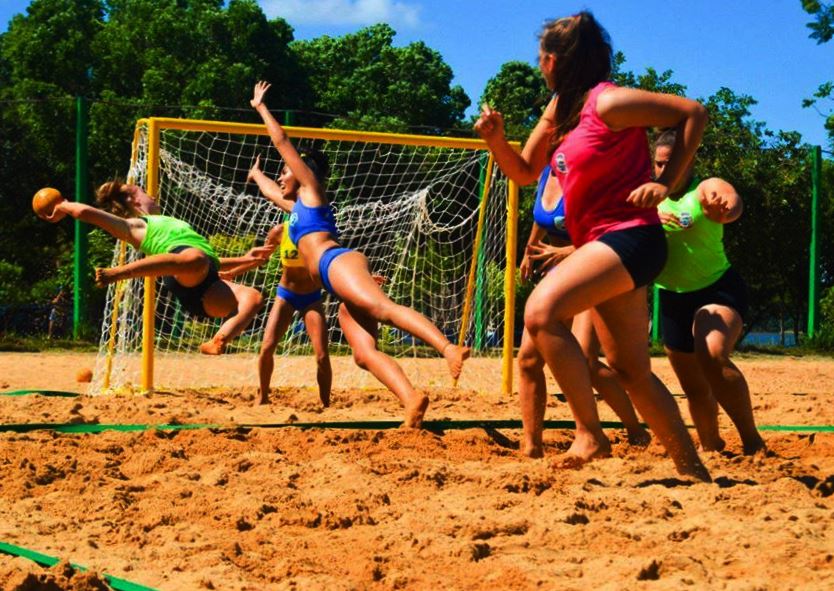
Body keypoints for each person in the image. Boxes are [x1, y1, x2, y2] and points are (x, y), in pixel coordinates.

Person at [475, 11, 710, 480]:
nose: (538, 65)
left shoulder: (608, 103)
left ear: (554, 60)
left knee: (541, 314)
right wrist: (496, 141)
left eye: (541, 57)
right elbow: (523, 172)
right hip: (606, 245)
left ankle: (590, 436)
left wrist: (666, 183)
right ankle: (691, 467)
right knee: (630, 371)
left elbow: (693, 112)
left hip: (631, 237)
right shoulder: (562, 111)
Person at [249, 80, 470, 428]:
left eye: (284, 170)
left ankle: (448, 348)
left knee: (383, 309)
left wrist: (260, 107)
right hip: (336, 276)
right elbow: (269, 191)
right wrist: (256, 174)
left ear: (304, 172)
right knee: (363, 354)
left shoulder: (311, 189)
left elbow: (281, 142)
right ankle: (412, 400)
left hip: (333, 262)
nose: (281, 175)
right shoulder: (296, 207)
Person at [46, 180, 268, 354]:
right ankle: (120, 273)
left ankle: (218, 340)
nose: (152, 195)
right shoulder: (137, 225)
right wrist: (63, 205)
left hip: (205, 279)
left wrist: (247, 259)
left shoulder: (174, 224)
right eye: (144, 192)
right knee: (196, 259)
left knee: (253, 297)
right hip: (184, 274)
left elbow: (212, 261)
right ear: (135, 201)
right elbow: (88, 214)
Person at [517, 166, 650, 457]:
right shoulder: (545, 173)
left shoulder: (588, 170)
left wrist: (567, 252)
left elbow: (612, 232)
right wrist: (530, 250)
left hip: (593, 271)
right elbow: (542, 218)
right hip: (556, 273)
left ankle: (631, 431)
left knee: (588, 361)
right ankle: (531, 447)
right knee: (527, 360)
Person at [653, 129, 765, 454]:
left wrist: (728, 208)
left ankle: (752, 441)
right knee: (694, 388)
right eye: (658, 164)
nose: (664, 171)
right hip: (672, 297)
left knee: (712, 353)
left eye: (670, 164)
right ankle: (711, 446)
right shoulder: (650, 197)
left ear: (688, 161)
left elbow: (730, 199)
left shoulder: (704, 190)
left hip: (718, 289)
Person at [240, 179, 332, 408]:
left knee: (321, 355)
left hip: (312, 297)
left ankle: (326, 404)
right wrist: (232, 271)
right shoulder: (280, 231)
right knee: (267, 347)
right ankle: (262, 397)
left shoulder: (316, 231)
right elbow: (258, 259)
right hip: (286, 295)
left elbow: (335, 259)